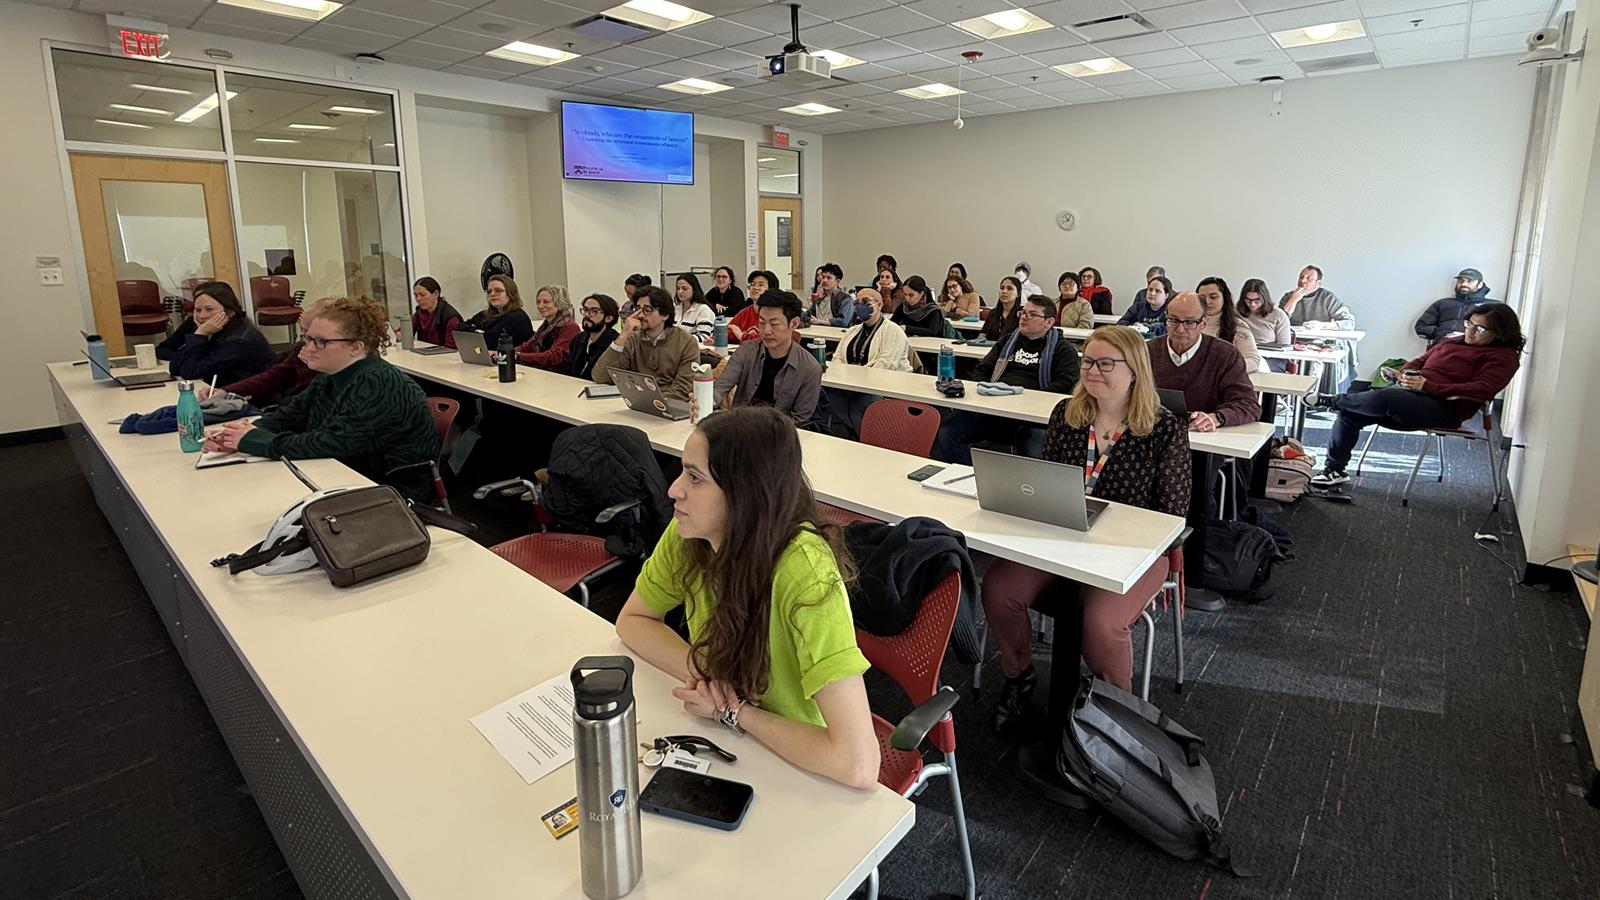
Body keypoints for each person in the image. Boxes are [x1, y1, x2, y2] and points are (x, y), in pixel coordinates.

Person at [614, 407, 879, 790]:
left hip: (800, 765)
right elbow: (633, 621)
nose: (673, 490)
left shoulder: (804, 571)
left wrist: (734, 712)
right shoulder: (689, 532)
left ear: (744, 494)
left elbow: (858, 764)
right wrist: (706, 670)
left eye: (695, 478)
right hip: (732, 746)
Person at [984, 326, 1191, 730]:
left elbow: (1173, 513)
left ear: (1134, 371)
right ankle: (1019, 677)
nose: (1093, 371)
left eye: (1106, 363)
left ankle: (1117, 716)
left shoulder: (1163, 428)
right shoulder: (1068, 413)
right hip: (1064, 537)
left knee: (1100, 623)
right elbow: (1044, 482)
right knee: (998, 587)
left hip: (1133, 552)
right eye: (1088, 361)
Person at [203, 297, 440, 503]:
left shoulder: (379, 383)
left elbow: (335, 443)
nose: (308, 348)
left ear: (356, 347)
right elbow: (289, 417)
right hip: (346, 477)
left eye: (321, 341)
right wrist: (241, 433)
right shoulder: (330, 378)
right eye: (308, 339)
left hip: (392, 493)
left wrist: (257, 441)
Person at [1312, 304, 1523, 488]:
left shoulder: (1503, 357)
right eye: (1469, 324)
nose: (1471, 331)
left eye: (1480, 328)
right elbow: (1420, 361)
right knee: (1351, 413)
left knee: (1385, 398)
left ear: (1498, 333)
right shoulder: (1452, 341)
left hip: (1445, 408)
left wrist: (1429, 386)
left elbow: (1481, 389)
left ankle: (1332, 401)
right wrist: (1405, 373)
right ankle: (1334, 470)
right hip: (1414, 396)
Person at [1148, 292, 1260, 611]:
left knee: (1189, 489)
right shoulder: (1148, 350)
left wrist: (1217, 417)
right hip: (1153, 436)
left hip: (1199, 441)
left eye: (1189, 322)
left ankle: (1184, 570)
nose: (1180, 329)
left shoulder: (1224, 355)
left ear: (1203, 322)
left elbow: (1248, 404)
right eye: (1172, 321)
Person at [934, 295, 1081, 464]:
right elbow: (982, 370)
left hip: (1033, 415)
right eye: (1023, 312)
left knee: (1034, 447)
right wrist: (986, 390)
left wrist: (1025, 399)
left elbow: (1065, 384)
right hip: (994, 407)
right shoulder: (1008, 341)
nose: (1024, 317)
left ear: (1049, 322)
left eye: (1032, 314)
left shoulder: (1064, 350)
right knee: (948, 431)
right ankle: (971, 480)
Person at [712, 290, 821, 427]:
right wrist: (704, 400)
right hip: (739, 428)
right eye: (762, 323)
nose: (766, 330)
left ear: (794, 323)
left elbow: (800, 419)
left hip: (779, 434)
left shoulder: (809, 368)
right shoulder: (746, 350)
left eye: (774, 324)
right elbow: (721, 387)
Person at [201, 298, 329, 407]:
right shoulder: (304, 346)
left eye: (308, 334)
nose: (304, 339)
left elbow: (312, 400)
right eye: (303, 333)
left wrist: (311, 367)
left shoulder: (242, 339)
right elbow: (276, 376)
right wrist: (226, 391)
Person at [825, 287, 911, 436]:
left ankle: (868, 439)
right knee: (826, 396)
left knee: (862, 403)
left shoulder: (893, 331)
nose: (860, 306)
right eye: (857, 302)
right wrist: (844, 379)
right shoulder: (853, 331)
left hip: (884, 387)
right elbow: (837, 357)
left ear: (879, 305)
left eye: (865, 301)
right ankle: (856, 432)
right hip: (851, 385)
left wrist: (854, 379)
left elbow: (885, 364)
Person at [155, 281, 275, 385]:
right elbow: (175, 368)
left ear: (230, 312)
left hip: (247, 403)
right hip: (219, 396)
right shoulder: (214, 331)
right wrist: (200, 335)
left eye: (209, 309)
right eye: (198, 310)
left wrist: (200, 334)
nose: (202, 316)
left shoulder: (240, 340)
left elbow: (190, 372)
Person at [593, 286, 699, 402]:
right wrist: (623, 336)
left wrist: (650, 402)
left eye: (647, 310)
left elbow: (682, 390)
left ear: (665, 315)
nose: (640, 315)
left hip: (668, 405)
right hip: (634, 402)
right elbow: (601, 377)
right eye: (637, 309)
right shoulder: (632, 338)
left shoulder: (686, 342)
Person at [1279, 265, 1357, 391]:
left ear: (1318, 283)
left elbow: (1348, 322)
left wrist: (1323, 325)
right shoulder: (1289, 296)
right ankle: (1285, 395)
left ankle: (1310, 394)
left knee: (1317, 359)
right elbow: (1280, 321)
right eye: (1301, 277)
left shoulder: (1327, 297)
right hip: (1293, 341)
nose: (1303, 281)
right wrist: (1293, 300)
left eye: (1309, 278)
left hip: (1318, 343)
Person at [1415, 268, 1497, 346]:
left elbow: (1503, 333)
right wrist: (1443, 333)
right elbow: (1421, 326)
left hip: (1477, 350)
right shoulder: (1443, 303)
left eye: (1469, 281)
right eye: (1461, 281)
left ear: (1480, 284)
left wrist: (1465, 336)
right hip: (1443, 348)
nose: (1464, 284)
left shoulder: (1493, 306)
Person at [504, 285, 578, 370]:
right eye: (538, 302)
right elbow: (528, 347)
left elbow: (554, 357)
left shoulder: (570, 327)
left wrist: (518, 356)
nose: (540, 306)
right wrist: (505, 352)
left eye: (546, 302)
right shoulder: (546, 326)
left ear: (559, 303)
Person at [1197, 277, 1263, 373]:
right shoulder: (1188, 324)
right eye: (1202, 298)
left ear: (1224, 298)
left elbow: (1253, 361)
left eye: (1213, 297)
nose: (1207, 302)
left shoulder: (1238, 327)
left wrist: (1227, 370)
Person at [1237, 278, 1292, 372]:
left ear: (1264, 298)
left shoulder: (1278, 315)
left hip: (1271, 358)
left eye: (1257, 300)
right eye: (1248, 300)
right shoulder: (1236, 312)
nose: (1252, 304)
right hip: (1243, 355)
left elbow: (1284, 346)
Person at [464, 274, 534, 347]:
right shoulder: (486, 314)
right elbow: (461, 327)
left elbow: (490, 341)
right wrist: (476, 331)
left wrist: (476, 333)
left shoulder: (518, 317)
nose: (492, 294)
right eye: (489, 291)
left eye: (498, 290)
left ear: (510, 293)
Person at [561, 293, 619, 381]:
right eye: (585, 310)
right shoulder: (578, 339)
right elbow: (567, 369)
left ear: (608, 318)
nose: (587, 315)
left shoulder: (615, 343)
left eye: (594, 311)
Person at [411, 276, 462, 349]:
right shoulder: (419, 313)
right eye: (416, 295)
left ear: (436, 294)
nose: (418, 299)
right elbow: (408, 332)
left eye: (422, 295)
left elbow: (450, 349)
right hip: (424, 354)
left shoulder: (451, 318)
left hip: (443, 357)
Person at [727, 270, 774, 344]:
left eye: (760, 285)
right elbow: (729, 329)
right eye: (753, 284)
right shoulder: (745, 312)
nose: (755, 288)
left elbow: (765, 340)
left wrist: (741, 336)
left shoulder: (774, 314)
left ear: (770, 290)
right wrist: (714, 339)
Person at [674, 273, 716, 343]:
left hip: (695, 350)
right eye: (678, 288)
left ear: (694, 289)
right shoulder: (674, 307)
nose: (680, 291)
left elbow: (704, 337)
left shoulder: (703, 310)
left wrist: (678, 339)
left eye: (684, 288)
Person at [808, 262, 854, 327]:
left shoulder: (845, 299)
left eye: (829, 278)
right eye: (823, 277)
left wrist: (820, 321)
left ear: (837, 281)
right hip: (817, 332)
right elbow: (810, 314)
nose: (824, 280)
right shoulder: (819, 298)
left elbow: (843, 321)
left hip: (835, 333)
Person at [981, 276, 1024, 340]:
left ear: (1018, 294)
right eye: (1002, 288)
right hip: (990, 348)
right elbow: (982, 335)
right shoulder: (993, 313)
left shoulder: (1022, 313)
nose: (1004, 291)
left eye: (1009, 288)